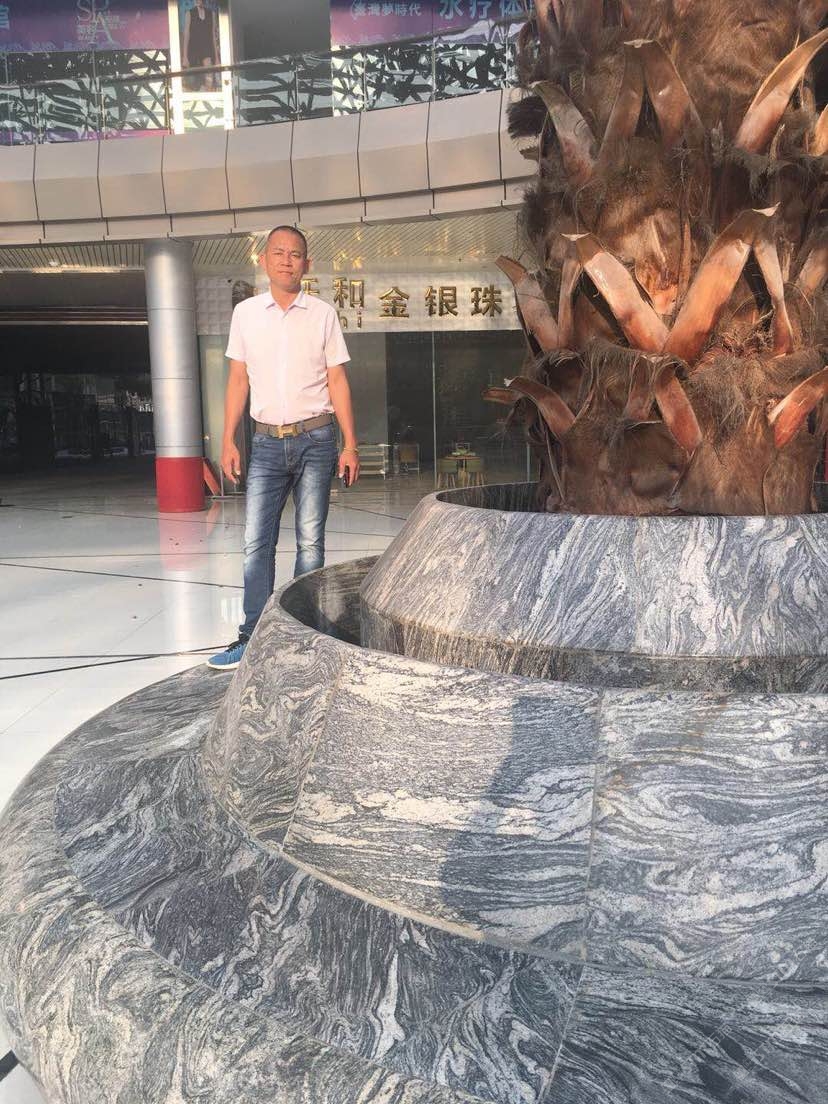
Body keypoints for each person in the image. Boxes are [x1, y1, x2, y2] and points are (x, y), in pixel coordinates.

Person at [207, 226, 360, 670]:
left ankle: (302, 636)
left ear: (306, 264)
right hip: (265, 443)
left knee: (310, 543)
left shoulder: (323, 314)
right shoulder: (246, 314)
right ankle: (252, 637)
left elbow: (337, 380)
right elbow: (238, 380)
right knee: (257, 542)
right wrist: (228, 440)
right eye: (279, 253)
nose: (287, 260)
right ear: (264, 260)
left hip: (317, 440)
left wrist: (350, 444)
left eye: (295, 254)